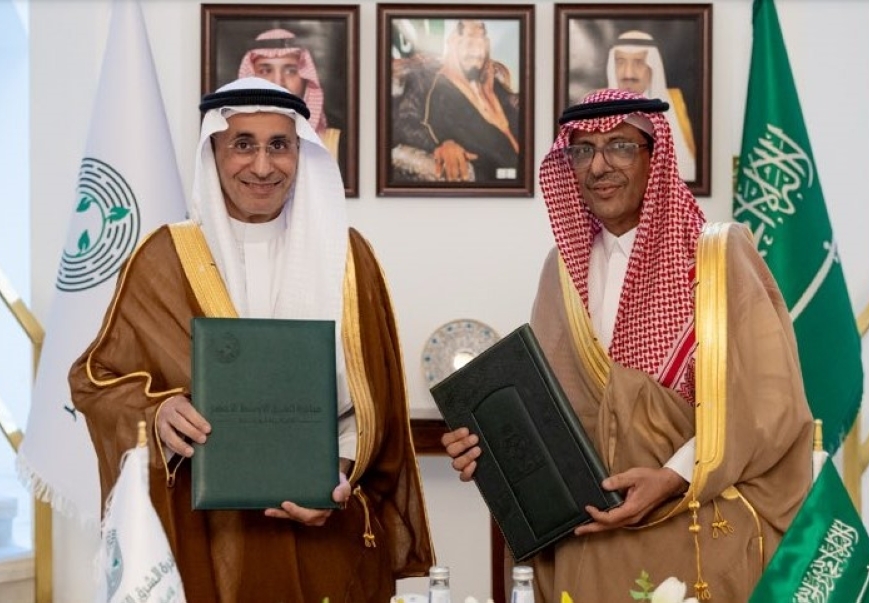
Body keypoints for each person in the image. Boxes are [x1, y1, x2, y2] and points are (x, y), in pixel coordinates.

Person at [70, 77, 434, 602]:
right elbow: (94, 380)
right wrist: (157, 410)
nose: (262, 166)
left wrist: (336, 475)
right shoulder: (164, 258)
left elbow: (376, 402)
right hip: (205, 538)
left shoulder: (349, 259)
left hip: (323, 531)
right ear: (213, 152)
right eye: (243, 144)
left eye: (279, 145)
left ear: (301, 153)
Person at [442, 89, 813, 602]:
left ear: (654, 157)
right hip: (591, 536)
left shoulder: (719, 256)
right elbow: (548, 412)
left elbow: (767, 404)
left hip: (695, 525)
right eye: (582, 151)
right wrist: (488, 451)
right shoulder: (562, 270)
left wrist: (673, 477)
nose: (598, 166)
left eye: (619, 146)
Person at [392, 19, 520, 184]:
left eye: (481, 42)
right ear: (453, 43)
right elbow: (405, 122)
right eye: (469, 42)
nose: (476, 52)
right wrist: (441, 145)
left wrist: (503, 119)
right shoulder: (427, 78)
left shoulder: (491, 83)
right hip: (483, 180)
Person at [238, 28, 342, 162]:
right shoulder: (228, 135)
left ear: (305, 78)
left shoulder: (333, 141)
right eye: (265, 71)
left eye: (290, 71)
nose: (278, 83)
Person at [606, 30, 697, 182]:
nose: (628, 74)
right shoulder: (593, 108)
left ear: (652, 67)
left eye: (638, 62)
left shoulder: (677, 104)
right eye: (620, 62)